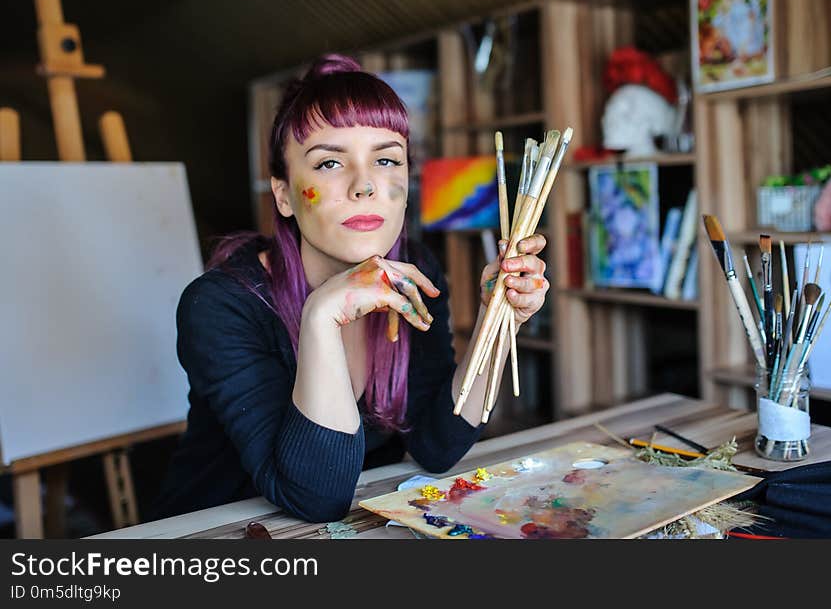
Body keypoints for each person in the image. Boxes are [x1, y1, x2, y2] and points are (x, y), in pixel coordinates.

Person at [149, 54, 550, 522]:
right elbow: (314, 497)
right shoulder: (220, 305)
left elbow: (437, 447)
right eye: (329, 163)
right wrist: (321, 316)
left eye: (385, 159)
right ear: (283, 194)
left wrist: (498, 320)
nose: (365, 185)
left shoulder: (413, 269)